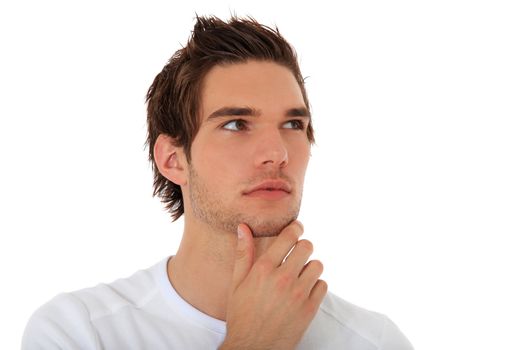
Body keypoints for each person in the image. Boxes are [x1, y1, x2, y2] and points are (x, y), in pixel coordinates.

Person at [22, 15, 413, 349]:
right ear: (173, 159)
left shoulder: (374, 341)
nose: (277, 152)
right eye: (236, 124)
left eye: (293, 124)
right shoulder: (80, 332)